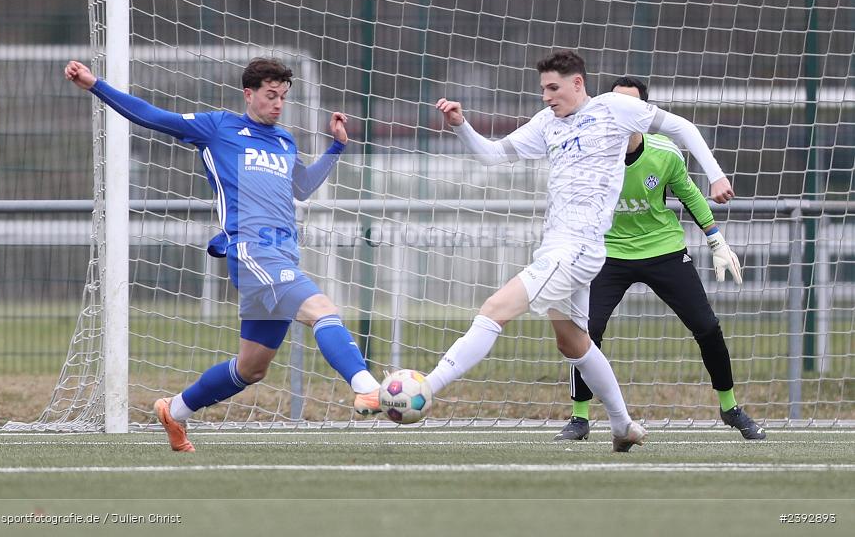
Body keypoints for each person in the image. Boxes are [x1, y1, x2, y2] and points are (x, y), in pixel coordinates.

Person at [419, 50, 734, 452]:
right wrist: (461, 126)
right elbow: (493, 155)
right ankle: (622, 426)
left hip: (576, 249)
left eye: (554, 88)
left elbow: (682, 127)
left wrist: (716, 175)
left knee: (494, 310)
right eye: (543, 89)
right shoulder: (546, 123)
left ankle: (425, 389)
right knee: (573, 343)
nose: (547, 96)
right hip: (560, 247)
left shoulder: (614, 109)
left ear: (578, 83)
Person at [64, 58, 382, 452]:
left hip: (283, 254)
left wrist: (336, 148)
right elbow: (152, 116)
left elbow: (301, 187)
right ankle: (368, 387)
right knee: (322, 308)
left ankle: (174, 411)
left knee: (252, 368)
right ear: (249, 94)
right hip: (250, 250)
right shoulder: (218, 127)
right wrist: (96, 85)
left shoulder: (284, 141)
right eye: (270, 95)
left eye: (283, 96)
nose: (278, 104)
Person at [554, 76, 765, 441]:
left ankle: (730, 408)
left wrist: (716, 241)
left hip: (664, 251)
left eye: (630, 107)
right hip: (610, 254)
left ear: (644, 114)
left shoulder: (665, 153)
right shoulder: (587, 154)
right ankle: (580, 417)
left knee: (707, 327)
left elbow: (690, 195)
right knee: (585, 331)